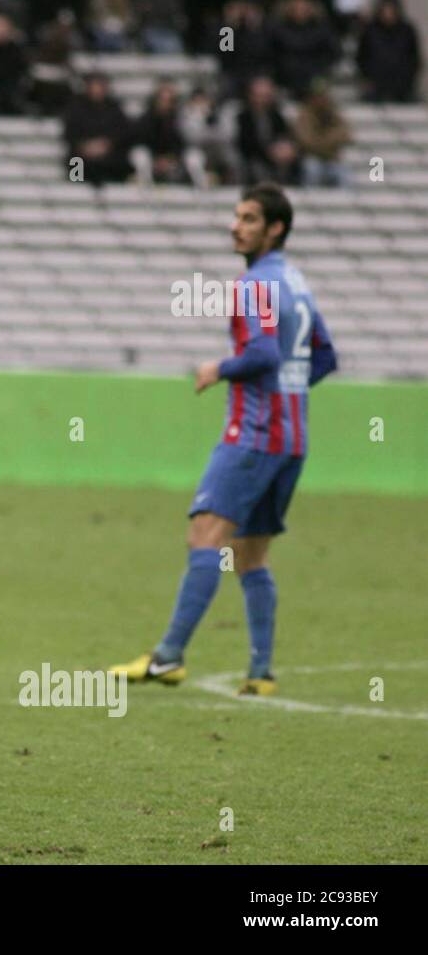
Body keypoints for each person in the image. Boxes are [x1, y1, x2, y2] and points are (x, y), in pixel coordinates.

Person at [111, 183, 338, 696]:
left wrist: (219, 367)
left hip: (254, 434)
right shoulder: (296, 283)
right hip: (291, 439)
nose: (236, 226)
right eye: (236, 216)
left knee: (205, 539)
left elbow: (262, 356)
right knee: (250, 557)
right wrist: (289, 394)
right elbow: (325, 357)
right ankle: (260, 674)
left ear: (275, 228)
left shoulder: (254, 286)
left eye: (249, 218)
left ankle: (168, 657)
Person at [63, 71, 134, 184]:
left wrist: (107, 144)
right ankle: (76, 190)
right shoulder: (76, 108)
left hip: (109, 156)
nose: (97, 90)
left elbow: (124, 133)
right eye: (94, 86)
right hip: (83, 156)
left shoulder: (114, 108)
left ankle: (116, 189)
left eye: (100, 86)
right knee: (75, 162)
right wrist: (85, 147)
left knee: (122, 162)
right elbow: (69, 135)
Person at [270, 0, 338, 100]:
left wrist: (320, 68)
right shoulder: (277, 29)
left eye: (303, 7)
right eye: (296, 7)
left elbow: (334, 52)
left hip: (315, 75)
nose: (300, 10)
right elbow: (271, 53)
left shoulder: (322, 29)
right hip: (285, 76)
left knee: (320, 86)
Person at [237, 75, 299, 185]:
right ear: (251, 96)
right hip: (253, 156)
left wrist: (286, 149)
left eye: (266, 96)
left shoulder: (276, 116)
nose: (263, 100)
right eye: (259, 96)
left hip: (276, 156)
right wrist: (268, 152)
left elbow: (284, 136)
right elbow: (244, 143)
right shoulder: (243, 117)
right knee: (257, 169)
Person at [357, 0, 421, 103]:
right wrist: (367, 77)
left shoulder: (407, 30)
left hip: (402, 85)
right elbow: (361, 56)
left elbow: (414, 57)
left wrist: (408, 78)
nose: (388, 14)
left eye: (391, 11)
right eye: (385, 11)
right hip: (376, 84)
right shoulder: (370, 30)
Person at [294, 80, 352, 188]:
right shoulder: (305, 115)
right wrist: (331, 141)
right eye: (318, 96)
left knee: (344, 174)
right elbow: (307, 142)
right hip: (312, 158)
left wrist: (321, 141)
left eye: (324, 96)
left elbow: (347, 135)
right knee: (312, 169)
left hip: (331, 160)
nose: (322, 100)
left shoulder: (333, 114)